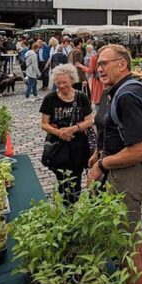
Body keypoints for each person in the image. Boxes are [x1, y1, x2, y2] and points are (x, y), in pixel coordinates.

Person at [86, 44, 142, 284]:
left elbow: (141, 150)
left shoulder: (127, 96)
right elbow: (106, 127)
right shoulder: (111, 90)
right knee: (132, 236)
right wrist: (96, 153)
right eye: (98, 64)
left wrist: (101, 165)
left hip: (127, 173)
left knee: (127, 243)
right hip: (115, 168)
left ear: (122, 64)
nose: (99, 68)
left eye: (104, 63)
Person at [40, 64, 94, 204]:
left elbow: (89, 121)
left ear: (72, 80)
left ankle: (72, 204)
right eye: (58, 83)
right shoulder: (50, 99)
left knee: (76, 177)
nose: (61, 86)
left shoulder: (81, 97)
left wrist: (73, 129)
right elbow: (44, 123)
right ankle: (65, 204)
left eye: (64, 82)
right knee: (62, 179)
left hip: (78, 145)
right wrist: (59, 132)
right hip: (58, 146)